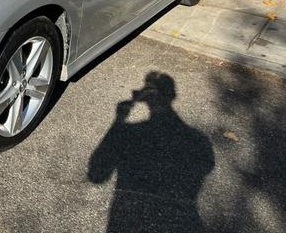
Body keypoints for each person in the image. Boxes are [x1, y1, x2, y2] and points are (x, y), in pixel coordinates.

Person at [88, 72, 215, 232]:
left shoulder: (131, 134)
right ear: (172, 96)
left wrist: (119, 120)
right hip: (180, 221)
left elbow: (97, 175)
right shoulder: (198, 140)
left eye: (148, 89)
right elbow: (205, 167)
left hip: (128, 219)